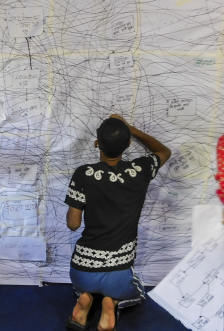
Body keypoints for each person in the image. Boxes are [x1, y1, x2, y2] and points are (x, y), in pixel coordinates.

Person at [64, 115, 171, 331]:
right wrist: (132, 129)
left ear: (97, 144)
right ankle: (111, 303)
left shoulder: (84, 173)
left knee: (84, 288)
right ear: (129, 144)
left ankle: (84, 299)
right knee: (135, 292)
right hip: (119, 273)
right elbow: (164, 152)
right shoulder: (141, 169)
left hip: (81, 270)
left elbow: (73, 224)